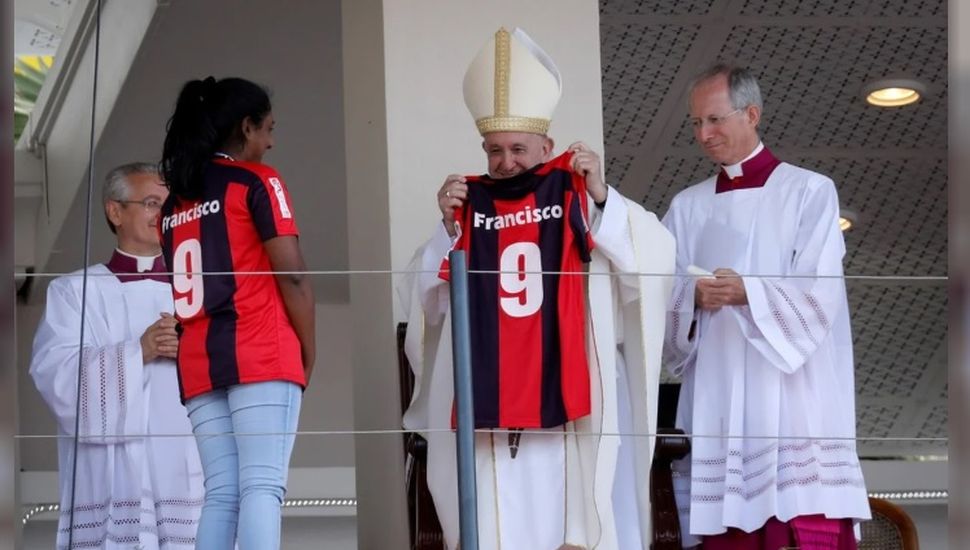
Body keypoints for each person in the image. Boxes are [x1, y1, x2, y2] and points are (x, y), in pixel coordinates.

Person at [399, 27, 675, 549]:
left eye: (519, 149)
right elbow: (425, 301)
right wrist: (448, 228)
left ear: (548, 146)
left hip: (564, 388)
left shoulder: (578, 194)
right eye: (494, 150)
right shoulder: (466, 209)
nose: (506, 162)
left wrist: (599, 196)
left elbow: (656, 258)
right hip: (489, 398)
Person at [661, 63, 870, 549]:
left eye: (714, 120)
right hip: (717, 389)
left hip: (792, 397)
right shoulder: (687, 207)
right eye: (696, 124)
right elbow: (657, 290)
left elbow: (821, 294)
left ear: (751, 114)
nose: (704, 134)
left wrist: (747, 292)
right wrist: (690, 296)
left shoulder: (809, 192)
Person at [158, 76, 315, 550]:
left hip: (199, 360)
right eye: (267, 129)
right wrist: (308, 349)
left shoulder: (172, 202)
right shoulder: (257, 180)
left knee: (222, 493)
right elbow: (293, 276)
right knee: (262, 487)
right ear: (246, 127)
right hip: (260, 348)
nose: (270, 142)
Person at [30, 162, 203, 549]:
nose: (162, 214)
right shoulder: (75, 291)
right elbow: (55, 375)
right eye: (151, 203)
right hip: (112, 473)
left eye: (167, 204)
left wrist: (191, 348)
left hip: (185, 456)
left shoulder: (196, 289)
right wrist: (139, 350)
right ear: (115, 211)